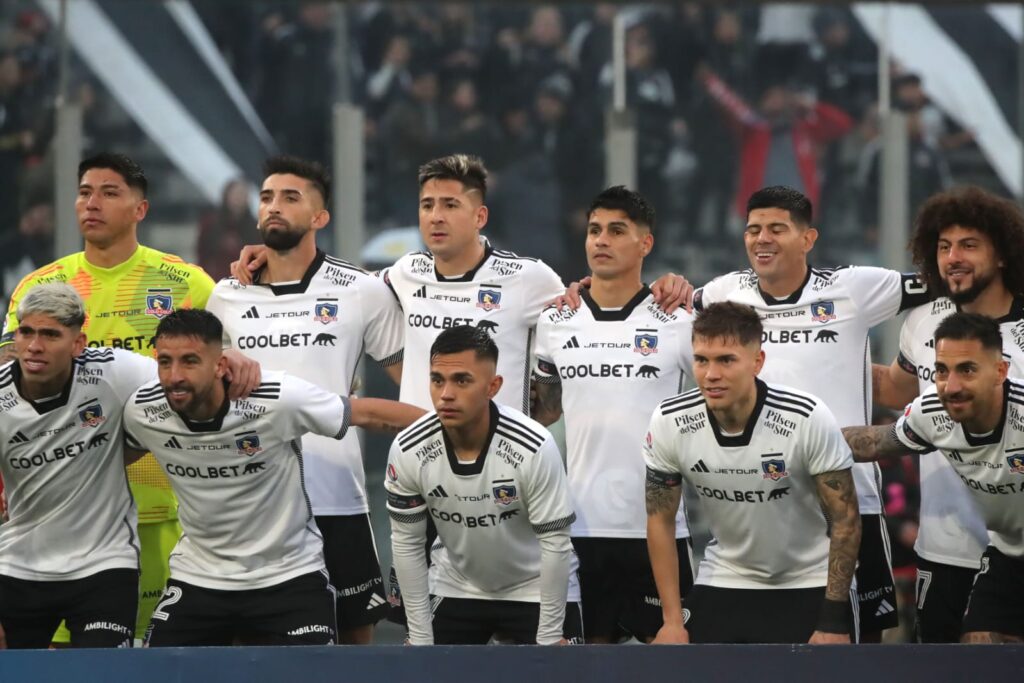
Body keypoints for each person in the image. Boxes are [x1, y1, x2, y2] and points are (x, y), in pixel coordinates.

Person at [0, 152, 260, 645]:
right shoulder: (40, 288)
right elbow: (11, 392)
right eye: (84, 192)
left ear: (140, 209)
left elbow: (229, 372)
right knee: (54, 662)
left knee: (156, 659)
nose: (91, 203)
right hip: (63, 516)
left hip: (173, 506)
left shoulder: (186, 283)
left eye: (109, 192)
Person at [690, 185, 930, 640]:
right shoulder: (723, 292)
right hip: (763, 496)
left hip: (853, 495)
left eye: (777, 228)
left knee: (859, 643)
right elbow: (670, 304)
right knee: (764, 638)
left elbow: (947, 282)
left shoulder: (853, 289)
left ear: (808, 238)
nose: (762, 238)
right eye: (753, 229)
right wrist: (669, 286)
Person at [124, 309, 424, 646]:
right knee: (158, 672)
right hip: (198, 577)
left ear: (221, 364)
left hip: (289, 575)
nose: (175, 376)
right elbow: (111, 454)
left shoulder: (275, 397)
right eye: (165, 362)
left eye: (190, 361)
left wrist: (458, 431)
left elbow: (369, 413)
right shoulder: (143, 410)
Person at [206, 155, 405, 644]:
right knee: (247, 646)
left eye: (291, 198)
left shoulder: (361, 291)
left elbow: (413, 383)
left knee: (355, 637)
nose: (274, 207)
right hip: (248, 500)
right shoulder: (226, 296)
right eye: (268, 197)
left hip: (336, 495)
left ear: (320, 218)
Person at [532, 186, 694, 643]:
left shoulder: (678, 322)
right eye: (594, 230)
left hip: (658, 531)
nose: (600, 240)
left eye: (617, 231)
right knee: (581, 670)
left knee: (673, 668)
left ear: (646, 244)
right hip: (579, 528)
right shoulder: (556, 321)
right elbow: (545, 410)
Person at [644, 302, 861, 644]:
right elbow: (660, 519)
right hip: (728, 574)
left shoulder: (807, 417)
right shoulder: (669, 421)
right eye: (701, 360)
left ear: (757, 362)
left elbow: (846, 519)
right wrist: (672, 621)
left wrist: (833, 617)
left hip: (810, 577)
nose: (711, 374)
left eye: (726, 360)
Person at [871, 186, 1024, 642]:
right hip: (945, 546)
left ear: (1002, 255)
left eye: (969, 245)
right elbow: (897, 387)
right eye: (943, 247)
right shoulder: (924, 320)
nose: (952, 257)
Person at [385, 325, 580, 645]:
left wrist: (549, 637)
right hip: (456, 583)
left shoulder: (532, 445)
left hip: (535, 586)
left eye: (462, 380)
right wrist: (420, 637)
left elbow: (556, 544)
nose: (446, 394)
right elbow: (406, 544)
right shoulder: (409, 448)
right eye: (437, 380)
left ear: (493, 386)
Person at [844, 312, 1024, 643]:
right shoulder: (932, 412)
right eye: (942, 371)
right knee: (977, 646)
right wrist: (798, 442)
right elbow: (874, 442)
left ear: (1000, 372)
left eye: (967, 370)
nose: (951, 386)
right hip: (1009, 552)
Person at [0, 284, 155, 648]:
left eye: (50, 334)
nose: (35, 346)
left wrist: (231, 359)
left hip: (104, 562)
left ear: (78, 344)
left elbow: (184, 379)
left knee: (103, 674)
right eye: (26, 332)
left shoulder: (115, 373)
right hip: (20, 563)